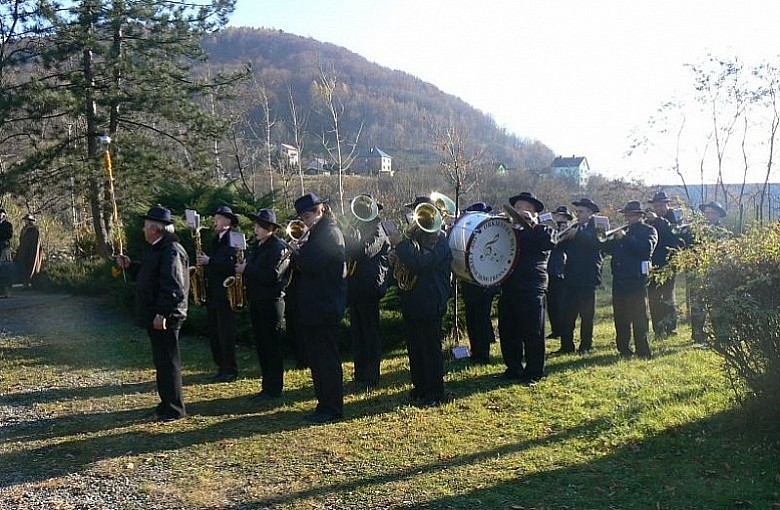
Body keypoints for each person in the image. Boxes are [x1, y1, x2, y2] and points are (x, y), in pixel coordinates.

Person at [116, 206, 189, 422]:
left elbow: (173, 286)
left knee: (169, 361)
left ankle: (175, 408)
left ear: (156, 230)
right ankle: (166, 403)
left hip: (166, 317)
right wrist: (130, 266)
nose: (143, 230)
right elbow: (150, 276)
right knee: (162, 362)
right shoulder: (158, 248)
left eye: (146, 227)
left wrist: (162, 314)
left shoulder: (172, 250)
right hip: (157, 315)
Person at [387, 196, 452, 407]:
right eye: (416, 213)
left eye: (421, 213)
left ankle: (435, 392)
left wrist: (401, 246)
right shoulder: (416, 236)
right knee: (415, 346)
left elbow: (420, 265)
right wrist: (395, 259)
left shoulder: (440, 241)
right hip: (413, 298)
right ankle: (420, 387)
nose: (416, 218)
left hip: (432, 299)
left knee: (430, 348)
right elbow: (408, 264)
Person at [291, 193, 347, 423]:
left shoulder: (329, 233)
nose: (304, 221)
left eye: (307, 216)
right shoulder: (316, 233)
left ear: (320, 211)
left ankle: (332, 408)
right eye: (302, 217)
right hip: (315, 305)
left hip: (325, 305)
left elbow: (311, 264)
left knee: (327, 360)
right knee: (317, 359)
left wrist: (296, 252)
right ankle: (323, 403)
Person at [498, 192, 554, 384]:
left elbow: (548, 244)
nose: (520, 211)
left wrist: (531, 225)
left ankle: (534, 372)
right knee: (508, 330)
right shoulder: (509, 231)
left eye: (525, 208)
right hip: (510, 285)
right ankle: (513, 367)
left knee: (533, 332)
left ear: (534, 212)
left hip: (532, 287)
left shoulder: (543, 230)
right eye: (518, 207)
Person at [236, 209, 289, 402]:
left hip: (272, 301)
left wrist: (247, 269)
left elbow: (273, 275)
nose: (256, 229)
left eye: (259, 226)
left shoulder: (279, 247)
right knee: (261, 345)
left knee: (271, 345)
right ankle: (266, 387)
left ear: (270, 229)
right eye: (255, 225)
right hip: (257, 299)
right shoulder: (257, 246)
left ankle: (274, 388)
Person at [344, 196, 391, 390]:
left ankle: (372, 376)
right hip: (357, 286)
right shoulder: (360, 228)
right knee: (358, 332)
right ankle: (360, 372)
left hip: (370, 286)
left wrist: (350, 239)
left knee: (370, 333)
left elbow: (365, 251)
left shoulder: (378, 230)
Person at [601, 200, 658, 359]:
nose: (628, 218)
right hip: (619, 280)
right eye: (627, 215)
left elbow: (645, 249)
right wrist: (604, 239)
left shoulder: (649, 230)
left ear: (639, 216)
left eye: (632, 215)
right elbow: (607, 249)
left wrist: (625, 238)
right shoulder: (622, 231)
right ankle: (624, 349)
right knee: (621, 317)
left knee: (640, 317)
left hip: (636, 280)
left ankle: (643, 351)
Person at [556, 198, 604, 355]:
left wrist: (579, 234)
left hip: (587, 278)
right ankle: (566, 346)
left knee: (586, 315)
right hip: (571, 276)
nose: (577, 214)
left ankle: (585, 346)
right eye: (577, 212)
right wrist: (561, 236)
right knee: (567, 314)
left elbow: (597, 243)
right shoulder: (574, 227)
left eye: (581, 212)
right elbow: (563, 246)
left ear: (590, 213)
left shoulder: (597, 227)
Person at [198, 205, 240, 383]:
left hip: (226, 293)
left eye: (218, 218)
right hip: (214, 291)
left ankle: (230, 368)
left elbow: (233, 263)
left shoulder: (234, 238)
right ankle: (221, 366)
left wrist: (210, 261)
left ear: (228, 221)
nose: (215, 221)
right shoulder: (216, 239)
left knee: (225, 332)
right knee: (215, 332)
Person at [460, 202, 500, 365]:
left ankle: (483, 355)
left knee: (481, 319)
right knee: (472, 318)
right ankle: (475, 351)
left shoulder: (490, 232)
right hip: (470, 281)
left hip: (485, 283)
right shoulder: (469, 232)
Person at [689, 200, 729, 344]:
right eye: (706, 213)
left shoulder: (722, 231)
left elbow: (723, 252)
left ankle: (721, 335)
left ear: (718, 215)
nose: (709, 216)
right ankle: (698, 334)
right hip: (698, 271)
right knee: (697, 304)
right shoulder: (697, 230)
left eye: (712, 213)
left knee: (716, 305)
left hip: (714, 272)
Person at [646, 191, 683, 338]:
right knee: (654, 297)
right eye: (656, 206)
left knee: (668, 296)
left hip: (669, 263)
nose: (659, 208)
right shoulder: (650, 220)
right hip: (653, 265)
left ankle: (671, 328)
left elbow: (672, 236)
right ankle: (658, 329)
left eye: (662, 205)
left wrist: (658, 221)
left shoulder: (674, 219)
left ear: (668, 205)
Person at [545, 205, 572, 342]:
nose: (559, 217)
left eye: (561, 216)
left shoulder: (568, 228)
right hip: (549, 267)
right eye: (557, 215)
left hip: (560, 267)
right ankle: (555, 329)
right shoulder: (551, 227)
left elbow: (563, 246)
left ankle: (562, 329)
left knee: (560, 302)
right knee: (551, 303)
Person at [15, 213, 43, 289]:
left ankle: (33, 284)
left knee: (32, 266)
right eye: (25, 220)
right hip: (23, 251)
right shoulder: (24, 229)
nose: (26, 222)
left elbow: (36, 243)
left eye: (27, 220)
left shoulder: (35, 230)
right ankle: (25, 283)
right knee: (24, 267)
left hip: (31, 251)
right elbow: (21, 239)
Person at [0, 208, 13, 298]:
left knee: (5, 269)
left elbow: (9, 235)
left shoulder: (8, 225)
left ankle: (7, 291)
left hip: (4, 248)